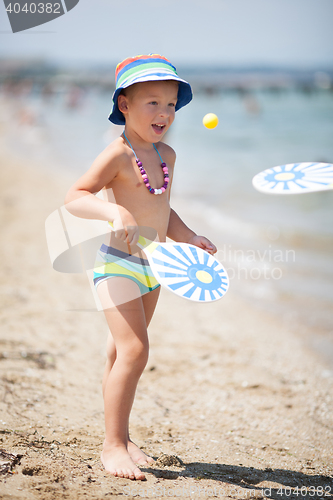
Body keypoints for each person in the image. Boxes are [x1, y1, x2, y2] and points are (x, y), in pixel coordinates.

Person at [65, 54, 217, 481]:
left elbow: (161, 209)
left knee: (120, 353)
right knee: (135, 351)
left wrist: (188, 236)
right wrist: (114, 215)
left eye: (170, 104)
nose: (164, 113)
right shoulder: (117, 154)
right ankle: (112, 447)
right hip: (118, 265)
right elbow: (75, 195)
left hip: (155, 269)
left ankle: (123, 436)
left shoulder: (166, 154)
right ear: (125, 105)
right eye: (152, 103)